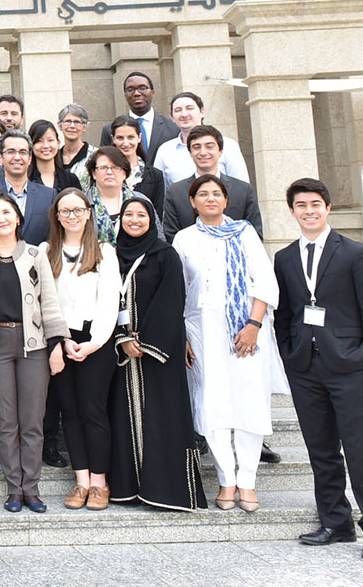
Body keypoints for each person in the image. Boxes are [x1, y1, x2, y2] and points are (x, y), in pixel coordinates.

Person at [274, 178, 363, 559]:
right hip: (305, 366)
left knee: (360, 448)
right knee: (321, 449)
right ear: (292, 211)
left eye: (315, 204)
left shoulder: (355, 252)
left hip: (348, 364)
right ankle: (335, 523)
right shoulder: (285, 257)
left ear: (327, 208)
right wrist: (289, 352)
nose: (309, 210)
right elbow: (286, 313)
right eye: (301, 205)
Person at [175, 173, 285, 513]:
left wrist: (253, 324)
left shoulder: (244, 232)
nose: (210, 198)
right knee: (213, 404)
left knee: (249, 402)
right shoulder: (183, 239)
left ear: (226, 200)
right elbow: (177, 290)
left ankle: (248, 481)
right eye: (203, 194)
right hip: (201, 330)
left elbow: (264, 280)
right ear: (192, 202)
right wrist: (182, 338)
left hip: (246, 331)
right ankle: (227, 480)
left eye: (216, 194)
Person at [0, 194, 68, 513]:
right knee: (6, 420)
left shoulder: (36, 254)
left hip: (33, 344)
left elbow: (49, 301)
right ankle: (14, 488)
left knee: (32, 419)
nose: (1, 218)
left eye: (7, 212)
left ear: (17, 218)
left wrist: (56, 344)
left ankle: (32, 488)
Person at [108, 197, 207, 511]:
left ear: (152, 220)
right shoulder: (110, 256)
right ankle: (127, 488)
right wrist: (122, 339)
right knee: (122, 420)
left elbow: (171, 300)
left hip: (158, 353)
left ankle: (164, 491)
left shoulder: (165, 255)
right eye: (128, 215)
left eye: (141, 215)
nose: (134, 220)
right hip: (120, 354)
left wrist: (146, 341)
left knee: (161, 419)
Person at [44, 187, 120, 510]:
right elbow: (44, 302)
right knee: (70, 413)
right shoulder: (45, 251)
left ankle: (100, 483)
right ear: (57, 217)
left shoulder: (104, 252)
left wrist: (93, 344)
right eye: (65, 211)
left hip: (95, 341)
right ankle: (81, 481)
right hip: (60, 340)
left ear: (89, 212)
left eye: (78, 210)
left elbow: (110, 303)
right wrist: (58, 341)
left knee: (93, 411)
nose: (72, 216)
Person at [162, 125, 264, 238]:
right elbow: (171, 235)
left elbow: (255, 234)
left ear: (220, 151)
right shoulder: (175, 192)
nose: (203, 152)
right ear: (190, 153)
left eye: (209, 147)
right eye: (196, 147)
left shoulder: (243, 190)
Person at [153, 91, 250, 185]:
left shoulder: (228, 145)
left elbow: (241, 186)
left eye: (189, 108)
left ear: (202, 112)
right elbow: (162, 193)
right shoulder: (165, 150)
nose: (184, 114)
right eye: (178, 110)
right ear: (172, 117)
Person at [99, 71, 174, 165]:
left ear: (153, 92)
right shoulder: (109, 130)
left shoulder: (172, 127)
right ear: (125, 95)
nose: (137, 93)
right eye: (130, 89)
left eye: (142, 88)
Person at [0, 131, 55, 244]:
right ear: (0, 157)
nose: (17, 157)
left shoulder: (48, 196)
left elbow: (53, 235)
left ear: (30, 158)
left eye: (23, 152)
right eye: (11, 151)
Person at [104, 116, 165, 219]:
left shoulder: (155, 176)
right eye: (120, 138)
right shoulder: (104, 172)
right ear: (113, 139)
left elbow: (157, 215)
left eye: (130, 137)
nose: (126, 143)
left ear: (139, 138)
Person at [84, 145, 135, 246]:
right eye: (103, 168)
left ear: (125, 173)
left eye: (115, 167)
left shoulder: (140, 200)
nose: (109, 172)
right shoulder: (81, 203)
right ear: (93, 173)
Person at [28, 120, 80, 192]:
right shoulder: (25, 179)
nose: (46, 145)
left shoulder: (70, 180)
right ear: (30, 145)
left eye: (50, 140)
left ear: (58, 143)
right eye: (39, 141)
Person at [55, 104, 92, 180]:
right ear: (59, 125)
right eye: (68, 121)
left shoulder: (95, 155)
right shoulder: (54, 157)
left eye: (77, 122)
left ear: (84, 127)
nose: (72, 126)